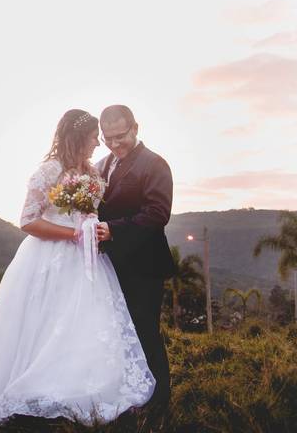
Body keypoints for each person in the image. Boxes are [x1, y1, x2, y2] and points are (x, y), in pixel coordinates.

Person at [0, 109, 154, 432]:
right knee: (47, 325)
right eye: (95, 137)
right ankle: (30, 394)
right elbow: (28, 220)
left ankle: (78, 393)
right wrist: (72, 234)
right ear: (79, 138)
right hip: (51, 259)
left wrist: (90, 226)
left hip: (88, 262)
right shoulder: (49, 171)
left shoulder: (92, 170)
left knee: (82, 326)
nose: (98, 144)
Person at [94, 104, 177, 418]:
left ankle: (158, 399)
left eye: (121, 136)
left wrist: (113, 230)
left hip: (144, 266)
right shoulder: (100, 166)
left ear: (135, 128)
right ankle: (130, 392)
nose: (115, 144)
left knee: (144, 331)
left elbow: (158, 214)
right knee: (118, 333)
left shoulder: (155, 164)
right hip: (109, 266)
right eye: (108, 138)